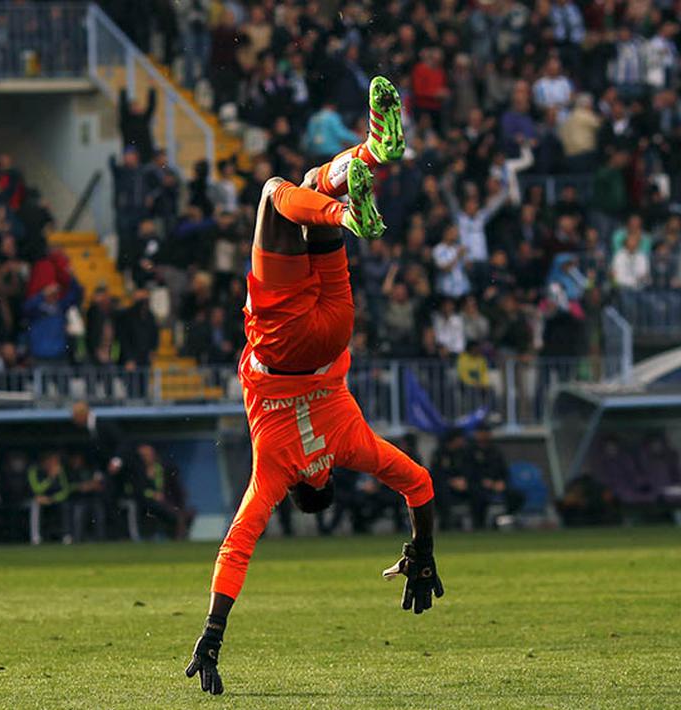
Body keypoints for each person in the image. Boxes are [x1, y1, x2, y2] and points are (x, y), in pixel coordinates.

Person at [185, 78, 442, 697]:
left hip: (332, 330)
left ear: (323, 481)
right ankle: (357, 191)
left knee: (305, 184)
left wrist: (423, 547)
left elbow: (419, 485)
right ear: (308, 482)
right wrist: (210, 628)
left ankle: (372, 161)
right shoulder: (274, 468)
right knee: (277, 194)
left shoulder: (350, 446)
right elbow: (235, 546)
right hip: (286, 342)